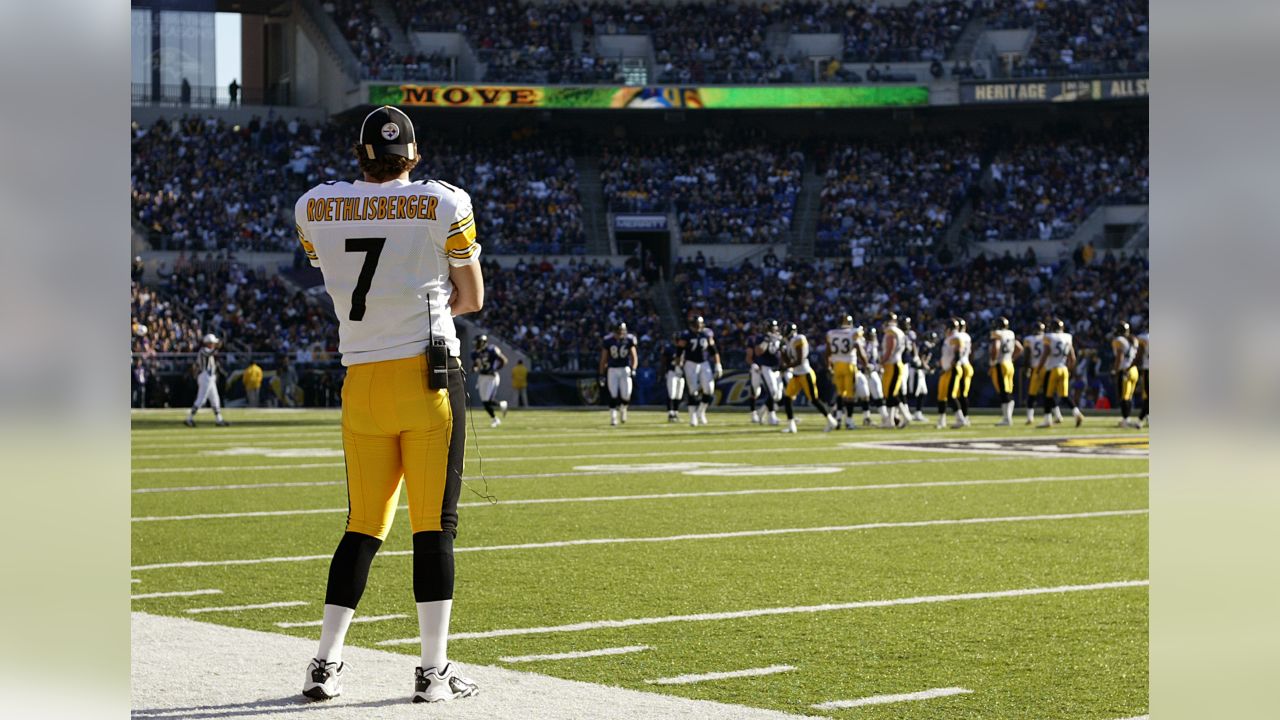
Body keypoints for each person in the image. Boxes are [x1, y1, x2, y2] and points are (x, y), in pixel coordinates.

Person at [294, 105, 483, 704]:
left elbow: (338, 272)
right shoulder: (445, 202)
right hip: (426, 381)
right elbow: (472, 297)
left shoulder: (313, 207)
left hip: (360, 383)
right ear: (415, 154)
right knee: (434, 527)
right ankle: (433, 672)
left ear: (360, 155)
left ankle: (324, 664)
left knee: (362, 526)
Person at [779, 322, 838, 434]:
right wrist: (782, 352)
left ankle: (831, 420)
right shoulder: (788, 342)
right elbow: (788, 360)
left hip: (805, 373)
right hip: (796, 374)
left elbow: (799, 360)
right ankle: (792, 426)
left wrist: (786, 366)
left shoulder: (799, 339)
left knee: (814, 400)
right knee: (787, 398)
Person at [1037, 318, 1085, 427]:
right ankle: (1077, 413)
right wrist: (1070, 369)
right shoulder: (1067, 337)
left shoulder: (1049, 337)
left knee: (1048, 395)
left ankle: (1047, 420)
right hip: (1063, 369)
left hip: (1052, 369)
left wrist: (1039, 368)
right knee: (1064, 395)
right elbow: (1072, 358)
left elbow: (1046, 353)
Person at [678, 315, 720, 427]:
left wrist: (718, 364)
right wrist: (678, 365)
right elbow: (679, 351)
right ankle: (692, 416)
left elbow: (714, 350)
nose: (698, 327)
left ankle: (701, 411)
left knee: (709, 389)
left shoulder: (707, 334)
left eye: (699, 325)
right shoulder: (686, 335)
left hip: (704, 363)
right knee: (693, 391)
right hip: (690, 363)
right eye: (696, 325)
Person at [184, 334, 229, 427]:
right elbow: (210, 353)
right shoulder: (203, 350)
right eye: (213, 343)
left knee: (215, 399)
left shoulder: (208, 351)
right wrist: (218, 347)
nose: (214, 344)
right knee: (201, 399)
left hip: (210, 377)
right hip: (205, 377)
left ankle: (219, 419)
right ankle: (189, 418)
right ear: (209, 343)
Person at [599, 321, 637, 426]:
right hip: (612, 370)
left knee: (626, 395)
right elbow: (604, 358)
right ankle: (613, 417)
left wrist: (633, 369)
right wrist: (602, 374)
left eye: (622, 331)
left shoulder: (629, 339)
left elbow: (634, 356)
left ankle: (623, 409)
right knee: (613, 394)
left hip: (625, 369)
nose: (621, 333)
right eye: (619, 331)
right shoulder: (608, 340)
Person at [879, 313, 912, 428]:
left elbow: (890, 348)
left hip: (893, 364)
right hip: (896, 364)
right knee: (890, 394)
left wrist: (882, 361)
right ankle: (891, 421)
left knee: (891, 394)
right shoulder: (899, 331)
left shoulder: (891, 332)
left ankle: (905, 416)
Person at [825, 315, 858, 429]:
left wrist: (828, 365)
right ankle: (849, 421)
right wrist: (866, 362)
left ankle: (838, 418)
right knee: (849, 395)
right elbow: (859, 348)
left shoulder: (831, 333)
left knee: (839, 393)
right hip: (849, 364)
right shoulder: (854, 332)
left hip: (836, 365)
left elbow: (828, 351)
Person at [988, 316, 1022, 426]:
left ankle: (1007, 418)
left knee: (1003, 392)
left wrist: (993, 362)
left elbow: (996, 347)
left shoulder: (997, 333)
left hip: (1000, 364)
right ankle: (1008, 417)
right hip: (1009, 364)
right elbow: (1019, 348)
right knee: (1007, 391)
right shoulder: (1010, 333)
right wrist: (1012, 358)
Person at [749, 319, 783, 426]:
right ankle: (771, 417)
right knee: (772, 392)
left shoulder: (779, 337)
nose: (774, 329)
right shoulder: (761, 338)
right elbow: (758, 352)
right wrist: (767, 340)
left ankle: (761, 412)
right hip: (766, 367)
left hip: (776, 367)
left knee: (777, 395)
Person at [472, 334, 508, 427]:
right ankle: (495, 418)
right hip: (482, 377)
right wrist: (474, 368)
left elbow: (504, 360)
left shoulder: (492, 349)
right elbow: (476, 364)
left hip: (491, 377)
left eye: (479, 343)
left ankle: (497, 415)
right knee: (485, 401)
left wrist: (495, 369)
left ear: (484, 343)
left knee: (488, 399)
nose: (477, 345)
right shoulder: (475, 353)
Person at [1111, 321, 1141, 428]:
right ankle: (1126, 419)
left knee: (1124, 397)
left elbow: (1120, 356)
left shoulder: (1119, 340)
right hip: (1134, 370)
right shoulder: (1134, 339)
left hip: (1124, 370)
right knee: (1128, 397)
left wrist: (1114, 370)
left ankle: (1126, 420)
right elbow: (1138, 356)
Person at [1023, 321, 1047, 424]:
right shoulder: (1047, 338)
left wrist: (1026, 368)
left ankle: (1030, 417)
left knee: (1032, 393)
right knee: (1048, 392)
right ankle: (1057, 415)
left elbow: (1027, 355)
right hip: (1046, 367)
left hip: (1036, 368)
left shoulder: (1029, 339)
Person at [661, 332, 685, 422]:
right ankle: (670, 413)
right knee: (672, 393)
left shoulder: (685, 349)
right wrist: (663, 372)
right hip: (671, 372)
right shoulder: (669, 348)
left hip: (681, 373)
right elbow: (663, 361)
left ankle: (676, 412)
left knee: (679, 395)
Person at [1136, 326, 1150, 427]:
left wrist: (1136, 366)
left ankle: (1140, 419)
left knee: (1148, 396)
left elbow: (1139, 354)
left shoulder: (1144, 338)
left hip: (1148, 369)